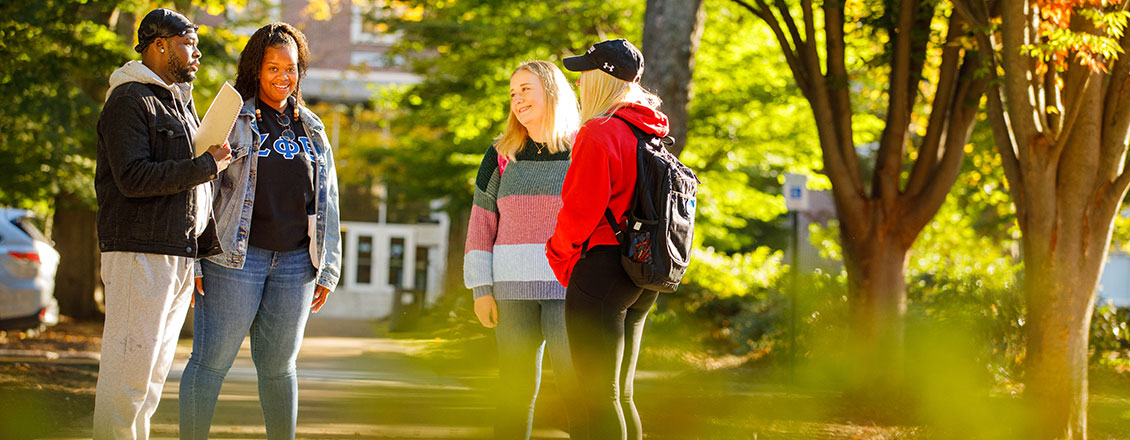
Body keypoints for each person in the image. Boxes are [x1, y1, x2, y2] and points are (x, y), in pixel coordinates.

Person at [177, 22, 341, 440]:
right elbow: (201, 187)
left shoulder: (314, 128)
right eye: (273, 68)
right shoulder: (232, 117)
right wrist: (194, 255)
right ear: (256, 69)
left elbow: (328, 200)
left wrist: (327, 268)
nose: (284, 77)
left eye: (292, 69)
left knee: (280, 368)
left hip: (295, 265)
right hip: (235, 258)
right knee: (210, 362)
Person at [93, 8, 232, 439]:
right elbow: (134, 177)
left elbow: (190, 183)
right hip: (139, 252)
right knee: (127, 378)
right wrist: (206, 165)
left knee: (150, 381)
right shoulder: (130, 100)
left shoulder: (178, 102)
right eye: (189, 44)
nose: (197, 53)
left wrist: (200, 251)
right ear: (159, 45)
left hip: (175, 253)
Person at [545, 39, 667, 440]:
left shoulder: (598, 133)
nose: (579, 83)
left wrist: (558, 255)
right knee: (621, 395)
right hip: (642, 271)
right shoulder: (647, 132)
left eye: (585, 74)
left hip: (601, 273)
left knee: (596, 396)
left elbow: (579, 212)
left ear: (603, 79)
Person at [464, 60, 584, 439]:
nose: (517, 99)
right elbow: (481, 225)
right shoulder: (500, 155)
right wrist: (481, 290)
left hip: (568, 291)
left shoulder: (583, 150)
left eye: (526, 89)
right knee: (514, 392)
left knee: (575, 389)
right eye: (513, 92)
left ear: (551, 91)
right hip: (511, 292)